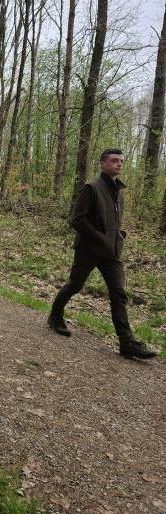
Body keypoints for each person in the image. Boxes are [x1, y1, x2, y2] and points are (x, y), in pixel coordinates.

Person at [48, 148, 157, 360]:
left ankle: (127, 342)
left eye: (122, 161)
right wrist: (100, 237)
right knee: (75, 285)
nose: (119, 164)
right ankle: (55, 315)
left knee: (119, 293)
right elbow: (77, 220)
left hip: (111, 252)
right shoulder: (91, 188)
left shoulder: (119, 191)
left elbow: (113, 221)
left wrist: (118, 236)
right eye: (114, 160)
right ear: (102, 163)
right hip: (88, 250)